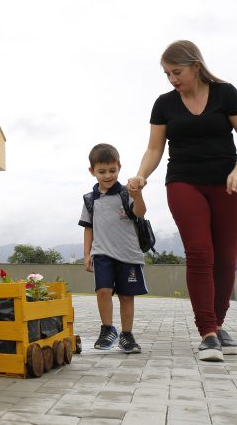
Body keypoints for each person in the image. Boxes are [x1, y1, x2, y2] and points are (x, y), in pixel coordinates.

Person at [128, 40, 237, 362]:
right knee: (200, 253)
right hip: (183, 181)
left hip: (228, 183)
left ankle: (218, 324)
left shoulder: (226, 93)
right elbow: (155, 148)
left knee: (226, 258)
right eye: (167, 74)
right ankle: (208, 333)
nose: (172, 79)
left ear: (196, 66)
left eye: (177, 72)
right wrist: (141, 174)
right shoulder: (164, 104)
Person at [79, 143, 148, 354]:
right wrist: (87, 254)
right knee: (103, 290)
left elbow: (140, 212)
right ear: (92, 171)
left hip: (128, 254)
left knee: (126, 295)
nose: (108, 175)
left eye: (112, 170)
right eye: (102, 171)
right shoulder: (90, 199)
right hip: (102, 253)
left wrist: (137, 195)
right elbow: (88, 228)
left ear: (119, 167)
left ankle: (127, 335)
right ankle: (108, 329)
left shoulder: (127, 193)